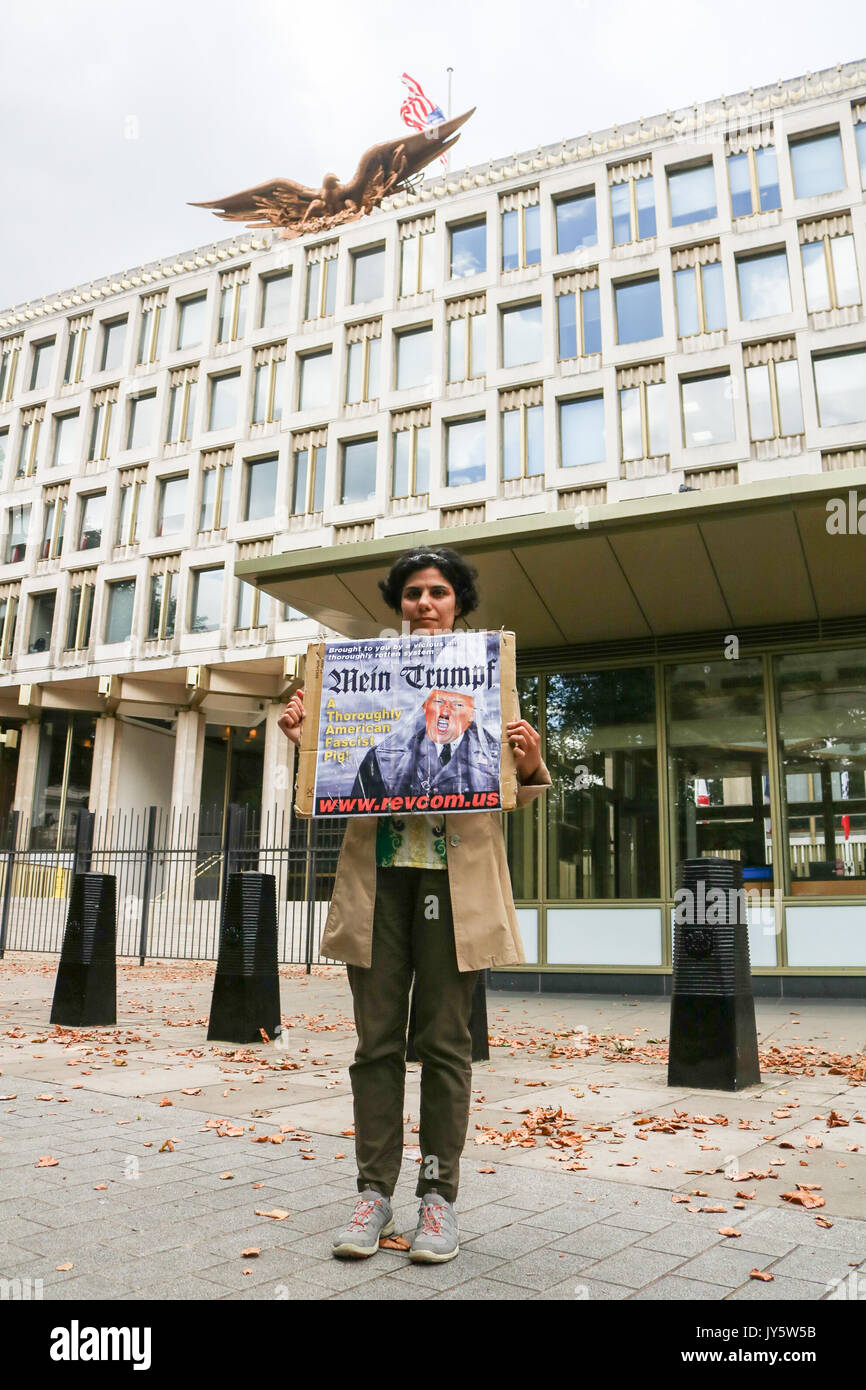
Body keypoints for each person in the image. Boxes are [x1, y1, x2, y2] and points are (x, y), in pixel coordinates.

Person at [278, 546, 550, 1264]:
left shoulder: (491, 675)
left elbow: (509, 789)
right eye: (412, 594)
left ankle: (437, 1201)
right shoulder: (360, 685)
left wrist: (527, 763)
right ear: (398, 605)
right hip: (382, 880)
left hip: (453, 884)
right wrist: (308, 741)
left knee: (445, 1045)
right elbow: (335, 774)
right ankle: (373, 1194)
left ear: (458, 603)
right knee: (376, 1044)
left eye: (438, 592)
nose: (424, 603)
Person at [350, 687, 500, 803]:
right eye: (438, 701)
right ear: (425, 706)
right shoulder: (383, 758)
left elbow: (512, 800)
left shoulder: (496, 756)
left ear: (472, 714)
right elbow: (361, 820)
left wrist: (524, 771)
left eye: (457, 704)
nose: (445, 712)